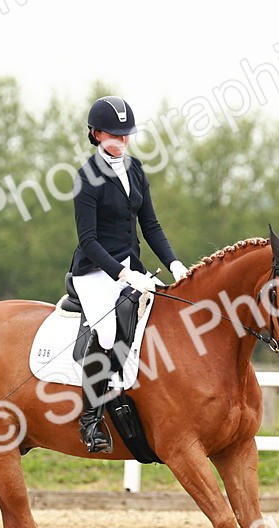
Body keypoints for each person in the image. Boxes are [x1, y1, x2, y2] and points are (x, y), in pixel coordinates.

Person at [69, 95, 187, 453]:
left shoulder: (135, 169)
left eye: (125, 135)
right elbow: (88, 240)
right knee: (107, 331)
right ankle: (90, 420)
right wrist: (122, 274)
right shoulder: (85, 178)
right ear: (95, 134)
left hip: (132, 268)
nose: (121, 142)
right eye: (113, 136)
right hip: (94, 271)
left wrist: (175, 264)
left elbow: (149, 224)